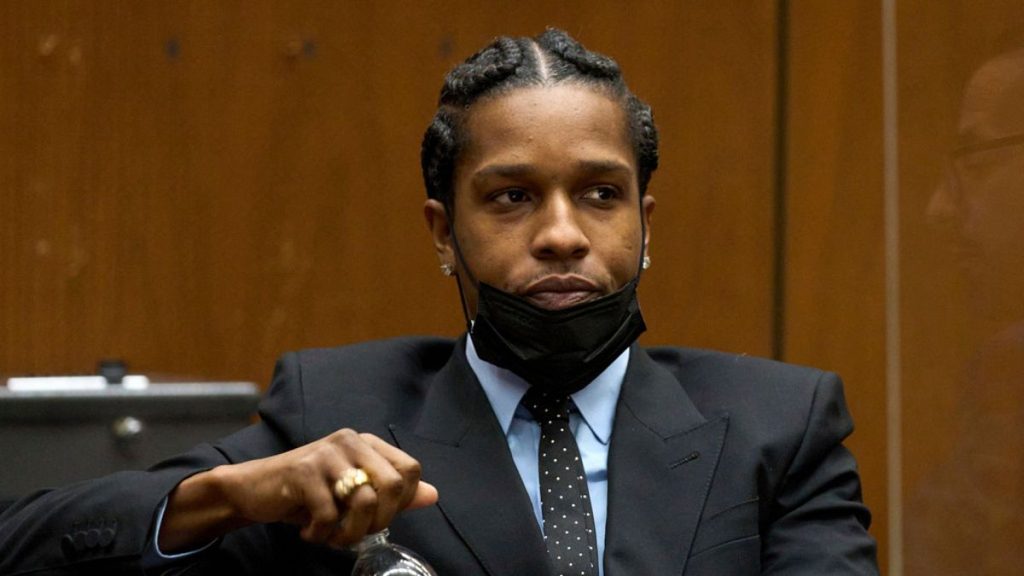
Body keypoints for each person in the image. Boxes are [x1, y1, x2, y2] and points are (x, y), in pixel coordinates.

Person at [0, 28, 878, 575]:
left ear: (646, 222)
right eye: (512, 197)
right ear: (443, 231)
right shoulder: (336, 411)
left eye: (600, 195)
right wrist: (230, 496)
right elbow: (26, 546)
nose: (562, 234)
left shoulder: (778, 427)